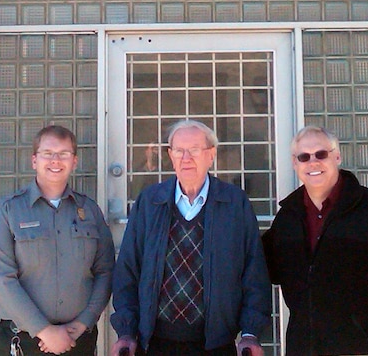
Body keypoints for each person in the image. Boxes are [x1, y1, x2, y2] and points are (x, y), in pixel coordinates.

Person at [110, 119, 272, 356]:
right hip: (156, 341)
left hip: (214, 343)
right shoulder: (150, 201)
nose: (186, 158)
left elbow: (253, 271)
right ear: (170, 155)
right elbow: (128, 269)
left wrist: (250, 333)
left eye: (194, 150)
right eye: (179, 151)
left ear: (211, 155)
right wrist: (126, 331)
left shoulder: (234, 202)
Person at [262, 126, 368, 356]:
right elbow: (259, 269)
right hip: (305, 349)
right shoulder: (287, 218)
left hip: (367, 349)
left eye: (321, 154)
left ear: (337, 156)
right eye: (304, 157)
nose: (313, 163)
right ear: (295, 163)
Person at [0, 125, 115, 356]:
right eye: (48, 153)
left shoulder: (90, 211)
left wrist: (85, 321)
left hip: (77, 341)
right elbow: (1, 278)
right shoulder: (8, 211)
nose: (56, 160)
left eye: (64, 153)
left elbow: (105, 271)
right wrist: (43, 330)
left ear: (74, 161)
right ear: (34, 160)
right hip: (23, 342)